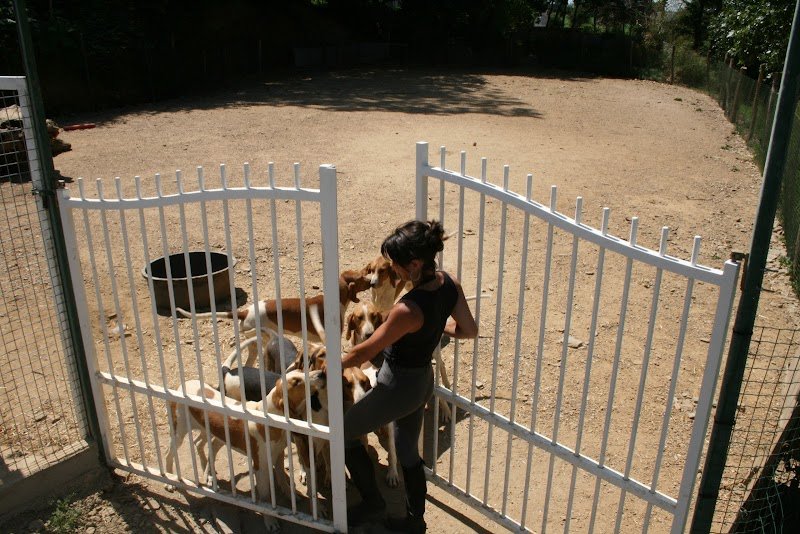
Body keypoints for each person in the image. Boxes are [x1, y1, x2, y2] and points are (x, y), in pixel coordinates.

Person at [341, 220, 479, 532]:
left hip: (397, 385)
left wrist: (328, 366)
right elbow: (469, 330)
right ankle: (414, 522)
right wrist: (436, 324)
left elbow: (364, 352)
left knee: (345, 433)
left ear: (415, 264)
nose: (394, 270)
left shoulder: (407, 309)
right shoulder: (449, 283)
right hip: (422, 384)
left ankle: (373, 504)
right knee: (406, 451)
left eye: (397, 264)